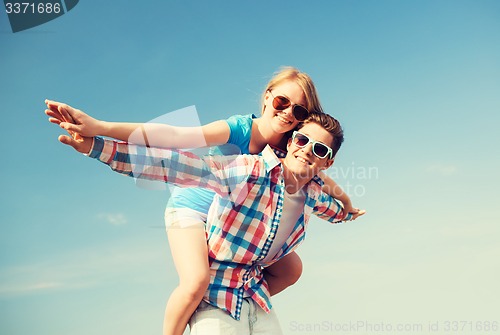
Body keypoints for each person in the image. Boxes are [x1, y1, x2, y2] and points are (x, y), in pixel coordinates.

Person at [45, 67, 364, 335]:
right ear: (267, 96)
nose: (287, 113)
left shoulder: (293, 144)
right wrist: (100, 129)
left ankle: (235, 300)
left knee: (291, 269)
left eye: (299, 111)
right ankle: (191, 319)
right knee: (196, 281)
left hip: (228, 220)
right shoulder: (240, 128)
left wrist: (346, 202)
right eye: (282, 101)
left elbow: (319, 175)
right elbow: (173, 138)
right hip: (193, 205)